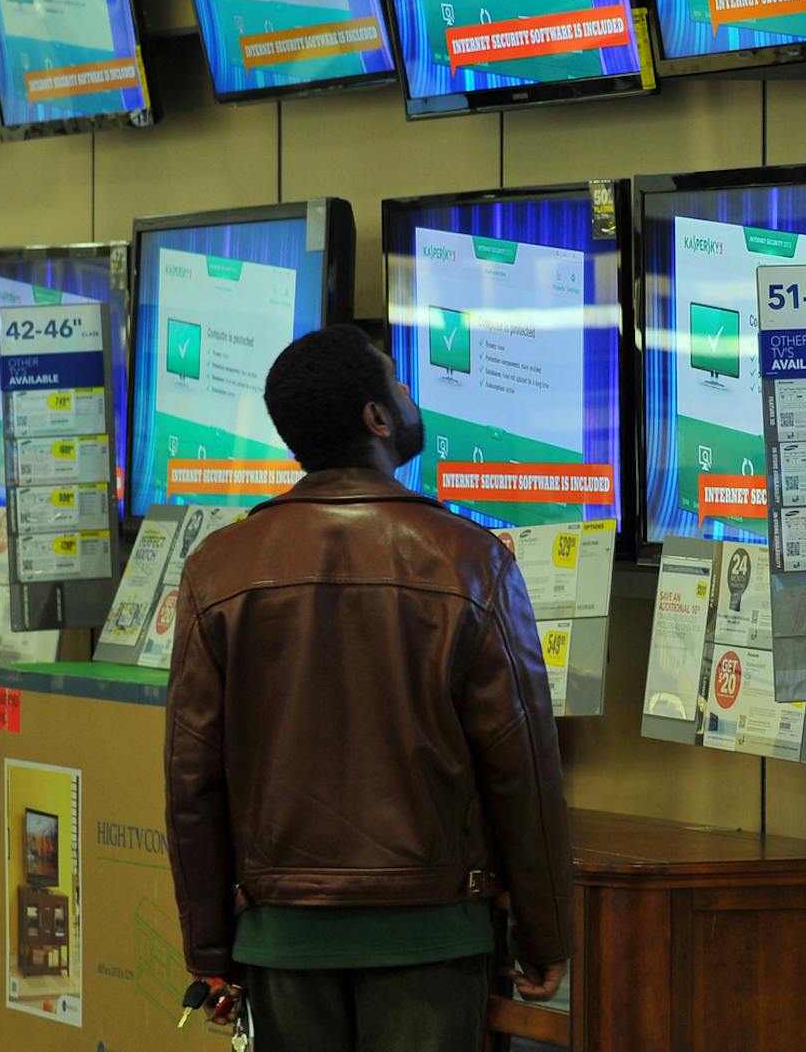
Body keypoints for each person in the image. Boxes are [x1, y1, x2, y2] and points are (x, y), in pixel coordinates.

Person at [164, 324, 571, 1052]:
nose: (412, 393)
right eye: (398, 380)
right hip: (432, 934)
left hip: (279, 936)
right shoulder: (471, 563)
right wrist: (543, 931)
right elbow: (523, 769)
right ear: (376, 419)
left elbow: (191, 779)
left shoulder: (218, 569)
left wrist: (210, 952)